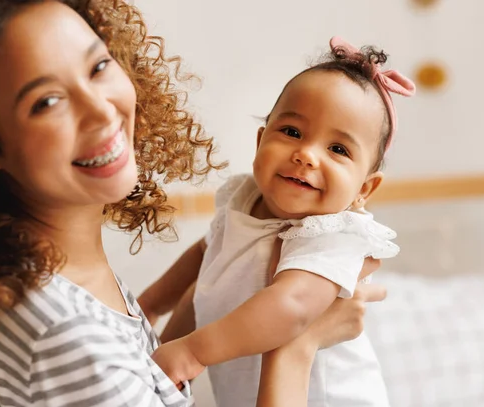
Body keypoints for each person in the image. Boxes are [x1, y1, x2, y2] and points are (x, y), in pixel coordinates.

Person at [0, 1, 385, 406]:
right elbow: (209, 263)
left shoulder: (19, 274)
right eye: (47, 101)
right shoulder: (68, 335)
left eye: (98, 67)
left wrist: (170, 328)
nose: (102, 110)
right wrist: (297, 348)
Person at [143, 37, 415, 406]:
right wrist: (151, 305)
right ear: (260, 142)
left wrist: (192, 351)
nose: (306, 154)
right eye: (292, 132)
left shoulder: (333, 236)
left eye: (338, 149)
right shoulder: (244, 198)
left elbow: (291, 306)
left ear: (364, 188)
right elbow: (206, 254)